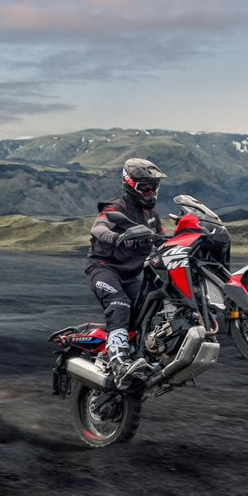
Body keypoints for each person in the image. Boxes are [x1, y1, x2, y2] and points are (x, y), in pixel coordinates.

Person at [86, 157, 167, 387]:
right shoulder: (117, 207)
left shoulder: (151, 214)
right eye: (145, 187)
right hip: (104, 269)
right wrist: (116, 237)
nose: (150, 191)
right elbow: (98, 226)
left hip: (131, 276)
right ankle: (119, 360)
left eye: (153, 186)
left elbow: (162, 238)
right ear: (130, 185)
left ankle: (144, 355)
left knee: (152, 306)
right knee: (120, 305)